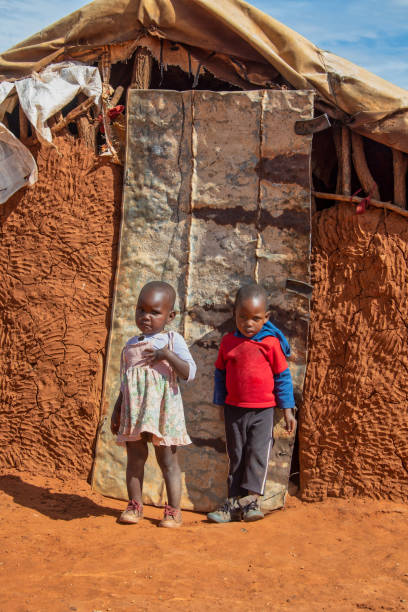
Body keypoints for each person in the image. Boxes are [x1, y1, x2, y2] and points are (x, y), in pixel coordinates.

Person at [207, 283, 296, 524]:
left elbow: (282, 377)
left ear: (266, 317)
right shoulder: (228, 343)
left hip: (263, 411)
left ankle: (252, 501)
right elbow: (219, 374)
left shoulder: (270, 343)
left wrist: (287, 409)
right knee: (236, 455)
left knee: (257, 454)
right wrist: (219, 403)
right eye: (242, 317)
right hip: (234, 409)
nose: (248, 323)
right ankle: (233, 501)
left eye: (256, 318)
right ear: (234, 314)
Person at [110, 281, 196, 528]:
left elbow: (189, 373)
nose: (145, 317)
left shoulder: (171, 339)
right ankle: (135, 505)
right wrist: (118, 408)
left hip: (162, 412)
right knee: (135, 459)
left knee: (167, 461)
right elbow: (126, 382)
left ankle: (173, 511)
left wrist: (167, 355)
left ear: (171, 316)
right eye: (141, 309)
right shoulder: (129, 345)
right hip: (134, 411)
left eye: (154, 312)